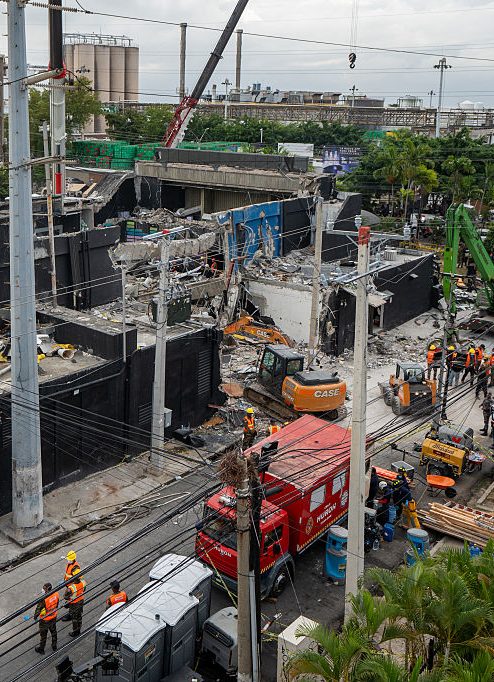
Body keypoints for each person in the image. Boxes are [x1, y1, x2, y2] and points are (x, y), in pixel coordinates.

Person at [34, 583, 59, 654]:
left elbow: (38, 610)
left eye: (44, 588)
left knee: (43, 635)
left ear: (47, 589)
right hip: (53, 616)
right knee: (53, 632)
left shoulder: (44, 599)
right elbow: (57, 604)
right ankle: (54, 646)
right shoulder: (56, 594)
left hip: (45, 620)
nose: (42, 589)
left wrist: (35, 617)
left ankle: (41, 649)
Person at [63, 569, 86, 637]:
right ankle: (78, 630)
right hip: (81, 601)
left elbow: (66, 597)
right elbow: (84, 589)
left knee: (74, 619)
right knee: (79, 616)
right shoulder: (83, 582)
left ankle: (75, 632)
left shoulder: (71, 588)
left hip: (74, 604)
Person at [61, 550, 80, 622]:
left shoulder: (76, 568)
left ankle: (71, 614)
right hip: (69, 586)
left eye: (68, 559)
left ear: (72, 559)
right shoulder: (70, 564)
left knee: (72, 601)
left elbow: (78, 579)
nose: (67, 560)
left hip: (72, 588)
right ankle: (69, 605)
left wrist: (71, 588)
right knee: (70, 600)